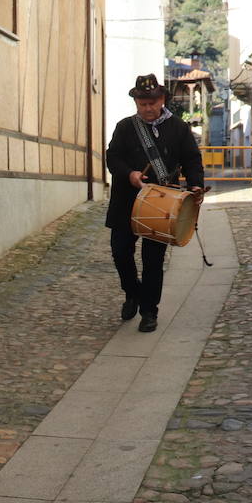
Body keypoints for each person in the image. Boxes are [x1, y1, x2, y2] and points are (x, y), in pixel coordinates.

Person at [105, 73, 206, 332]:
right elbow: (113, 158)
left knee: (153, 260)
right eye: (142, 103)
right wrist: (130, 174)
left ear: (162, 99)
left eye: (152, 102)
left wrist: (195, 184)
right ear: (136, 102)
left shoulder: (179, 129)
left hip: (162, 204)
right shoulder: (125, 127)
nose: (147, 108)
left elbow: (192, 160)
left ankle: (149, 311)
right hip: (126, 202)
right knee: (120, 253)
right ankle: (132, 292)